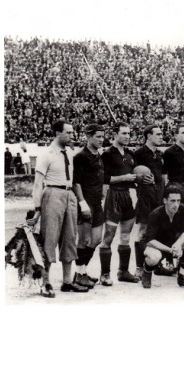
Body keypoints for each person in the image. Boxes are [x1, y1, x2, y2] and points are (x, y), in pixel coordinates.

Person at [26, 119, 88, 297]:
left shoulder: (69, 152)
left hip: (69, 195)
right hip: (52, 194)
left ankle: (67, 281)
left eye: (72, 132)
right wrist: (37, 209)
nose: (72, 135)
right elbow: (37, 184)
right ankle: (46, 283)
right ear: (57, 133)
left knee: (70, 238)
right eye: (68, 132)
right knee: (50, 239)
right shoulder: (47, 154)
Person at [99, 121, 151, 286]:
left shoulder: (131, 154)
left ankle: (123, 271)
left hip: (130, 195)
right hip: (114, 195)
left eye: (129, 133)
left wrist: (146, 178)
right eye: (124, 133)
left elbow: (137, 175)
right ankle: (105, 274)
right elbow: (103, 178)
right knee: (108, 236)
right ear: (115, 134)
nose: (127, 136)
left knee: (125, 236)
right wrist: (123, 178)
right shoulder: (107, 154)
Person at [140, 185, 184, 290]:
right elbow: (150, 240)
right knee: (154, 257)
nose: (176, 205)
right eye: (172, 201)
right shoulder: (156, 214)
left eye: (178, 201)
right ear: (165, 200)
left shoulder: (182, 209)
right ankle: (146, 272)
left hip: (172, 242)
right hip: (155, 244)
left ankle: (183, 277)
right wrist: (170, 250)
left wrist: (178, 244)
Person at [72, 124, 106, 289]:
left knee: (96, 239)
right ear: (88, 136)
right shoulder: (81, 156)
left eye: (102, 136)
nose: (101, 139)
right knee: (84, 240)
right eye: (98, 136)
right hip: (86, 203)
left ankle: (83, 272)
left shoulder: (99, 155)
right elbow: (76, 182)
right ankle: (79, 274)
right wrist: (82, 203)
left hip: (97, 203)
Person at [133, 124, 169, 279]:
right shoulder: (139, 153)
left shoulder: (161, 154)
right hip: (145, 196)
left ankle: (157, 264)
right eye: (158, 134)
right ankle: (139, 267)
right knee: (142, 230)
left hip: (159, 195)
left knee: (159, 229)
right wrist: (139, 180)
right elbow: (132, 175)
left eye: (162, 134)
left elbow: (164, 176)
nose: (161, 137)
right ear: (148, 135)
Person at [163, 122, 184, 199]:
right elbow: (164, 173)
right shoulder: (169, 152)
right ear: (176, 136)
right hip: (175, 187)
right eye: (183, 133)